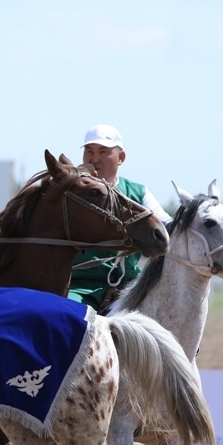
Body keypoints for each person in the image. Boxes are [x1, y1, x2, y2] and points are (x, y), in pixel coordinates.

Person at [68, 124, 173, 313]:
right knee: (69, 317)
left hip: (130, 286)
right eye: (89, 151)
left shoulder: (138, 192)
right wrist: (75, 180)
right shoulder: (71, 192)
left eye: (103, 152)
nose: (94, 159)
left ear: (121, 157)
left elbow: (167, 227)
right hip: (81, 285)